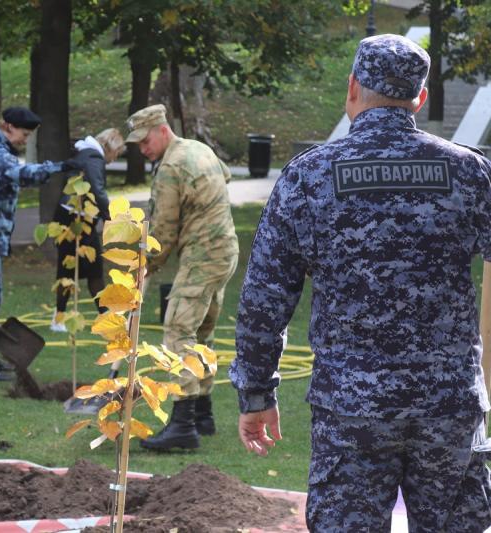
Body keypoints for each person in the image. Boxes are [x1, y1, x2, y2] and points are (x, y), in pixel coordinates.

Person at [229, 34, 491, 531]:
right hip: (448, 407)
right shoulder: (470, 172)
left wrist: (257, 394)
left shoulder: (309, 177)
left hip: (351, 409)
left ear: (352, 88)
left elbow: (265, 299)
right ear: (421, 98)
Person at [124, 104, 239, 451]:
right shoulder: (198, 148)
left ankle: (183, 425)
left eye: (145, 141)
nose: (143, 149)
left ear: (162, 130)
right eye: (137, 144)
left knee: (178, 331)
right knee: (202, 331)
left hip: (203, 255)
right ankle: (203, 415)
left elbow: (163, 230)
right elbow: (226, 176)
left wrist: (146, 266)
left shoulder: (171, 166)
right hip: (225, 250)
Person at [0, 106, 79, 381]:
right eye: (23, 134)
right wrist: (61, 167)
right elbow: (22, 175)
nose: (25, 140)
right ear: (8, 126)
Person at [51, 128, 125, 332]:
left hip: (77, 217)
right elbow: (97, 190)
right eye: (116, 153)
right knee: (77, 267)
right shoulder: (93, 157)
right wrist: (109, 216)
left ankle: (97, 315)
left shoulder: (85, 153)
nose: (114, 158)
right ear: (109, 146)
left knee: (86, 266)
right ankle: (61, 317)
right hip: (75, 218)